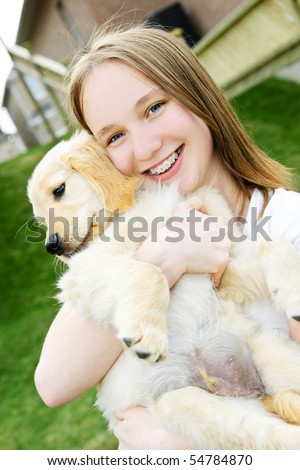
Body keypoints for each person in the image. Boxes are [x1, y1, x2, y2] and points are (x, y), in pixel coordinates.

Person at [34, 24, 300, 449]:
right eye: (115, 136)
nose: (144, 146)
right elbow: (53, 382)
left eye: (154, 107)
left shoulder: (288, 225)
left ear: (197, 93)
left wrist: (175, 447)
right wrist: (162, 258)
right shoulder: (137, 230)